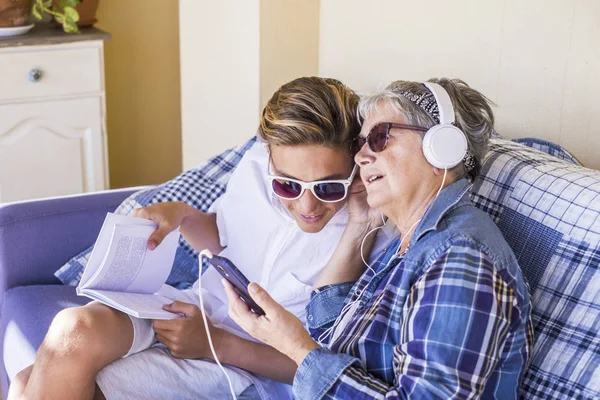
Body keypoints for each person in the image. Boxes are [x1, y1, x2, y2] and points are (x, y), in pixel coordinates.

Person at [9, 77, 392, 400]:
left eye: (328, 187)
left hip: (244, 364)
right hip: (192, 306)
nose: (307, 203)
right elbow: (228, 242)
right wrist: (183, 216)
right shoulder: (255, 167)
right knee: (71, 330)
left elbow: (322, 366)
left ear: (355, 164)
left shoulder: (369, 228)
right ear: (270, 158)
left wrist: (214, 344)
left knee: (31, 383)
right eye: (288, 185)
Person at [225, 78, 534, 399]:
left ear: (441, 148)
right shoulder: (414, 242)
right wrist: (360, 223)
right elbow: (332, 332)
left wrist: (296, 348)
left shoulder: (461, 257)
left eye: (379, 137)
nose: (360, 158)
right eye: (360, 144)